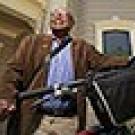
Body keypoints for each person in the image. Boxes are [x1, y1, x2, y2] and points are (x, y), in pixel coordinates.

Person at [0, 8, 129, 135]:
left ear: (71, 23)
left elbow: (104, 62)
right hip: (36, 119)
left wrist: (129, 61)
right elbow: (13, 71)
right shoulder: (32, 43)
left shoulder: (82, 48)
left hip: (68, 122)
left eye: (62, 15)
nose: (57, 17)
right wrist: (6, 96)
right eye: (54, 15)